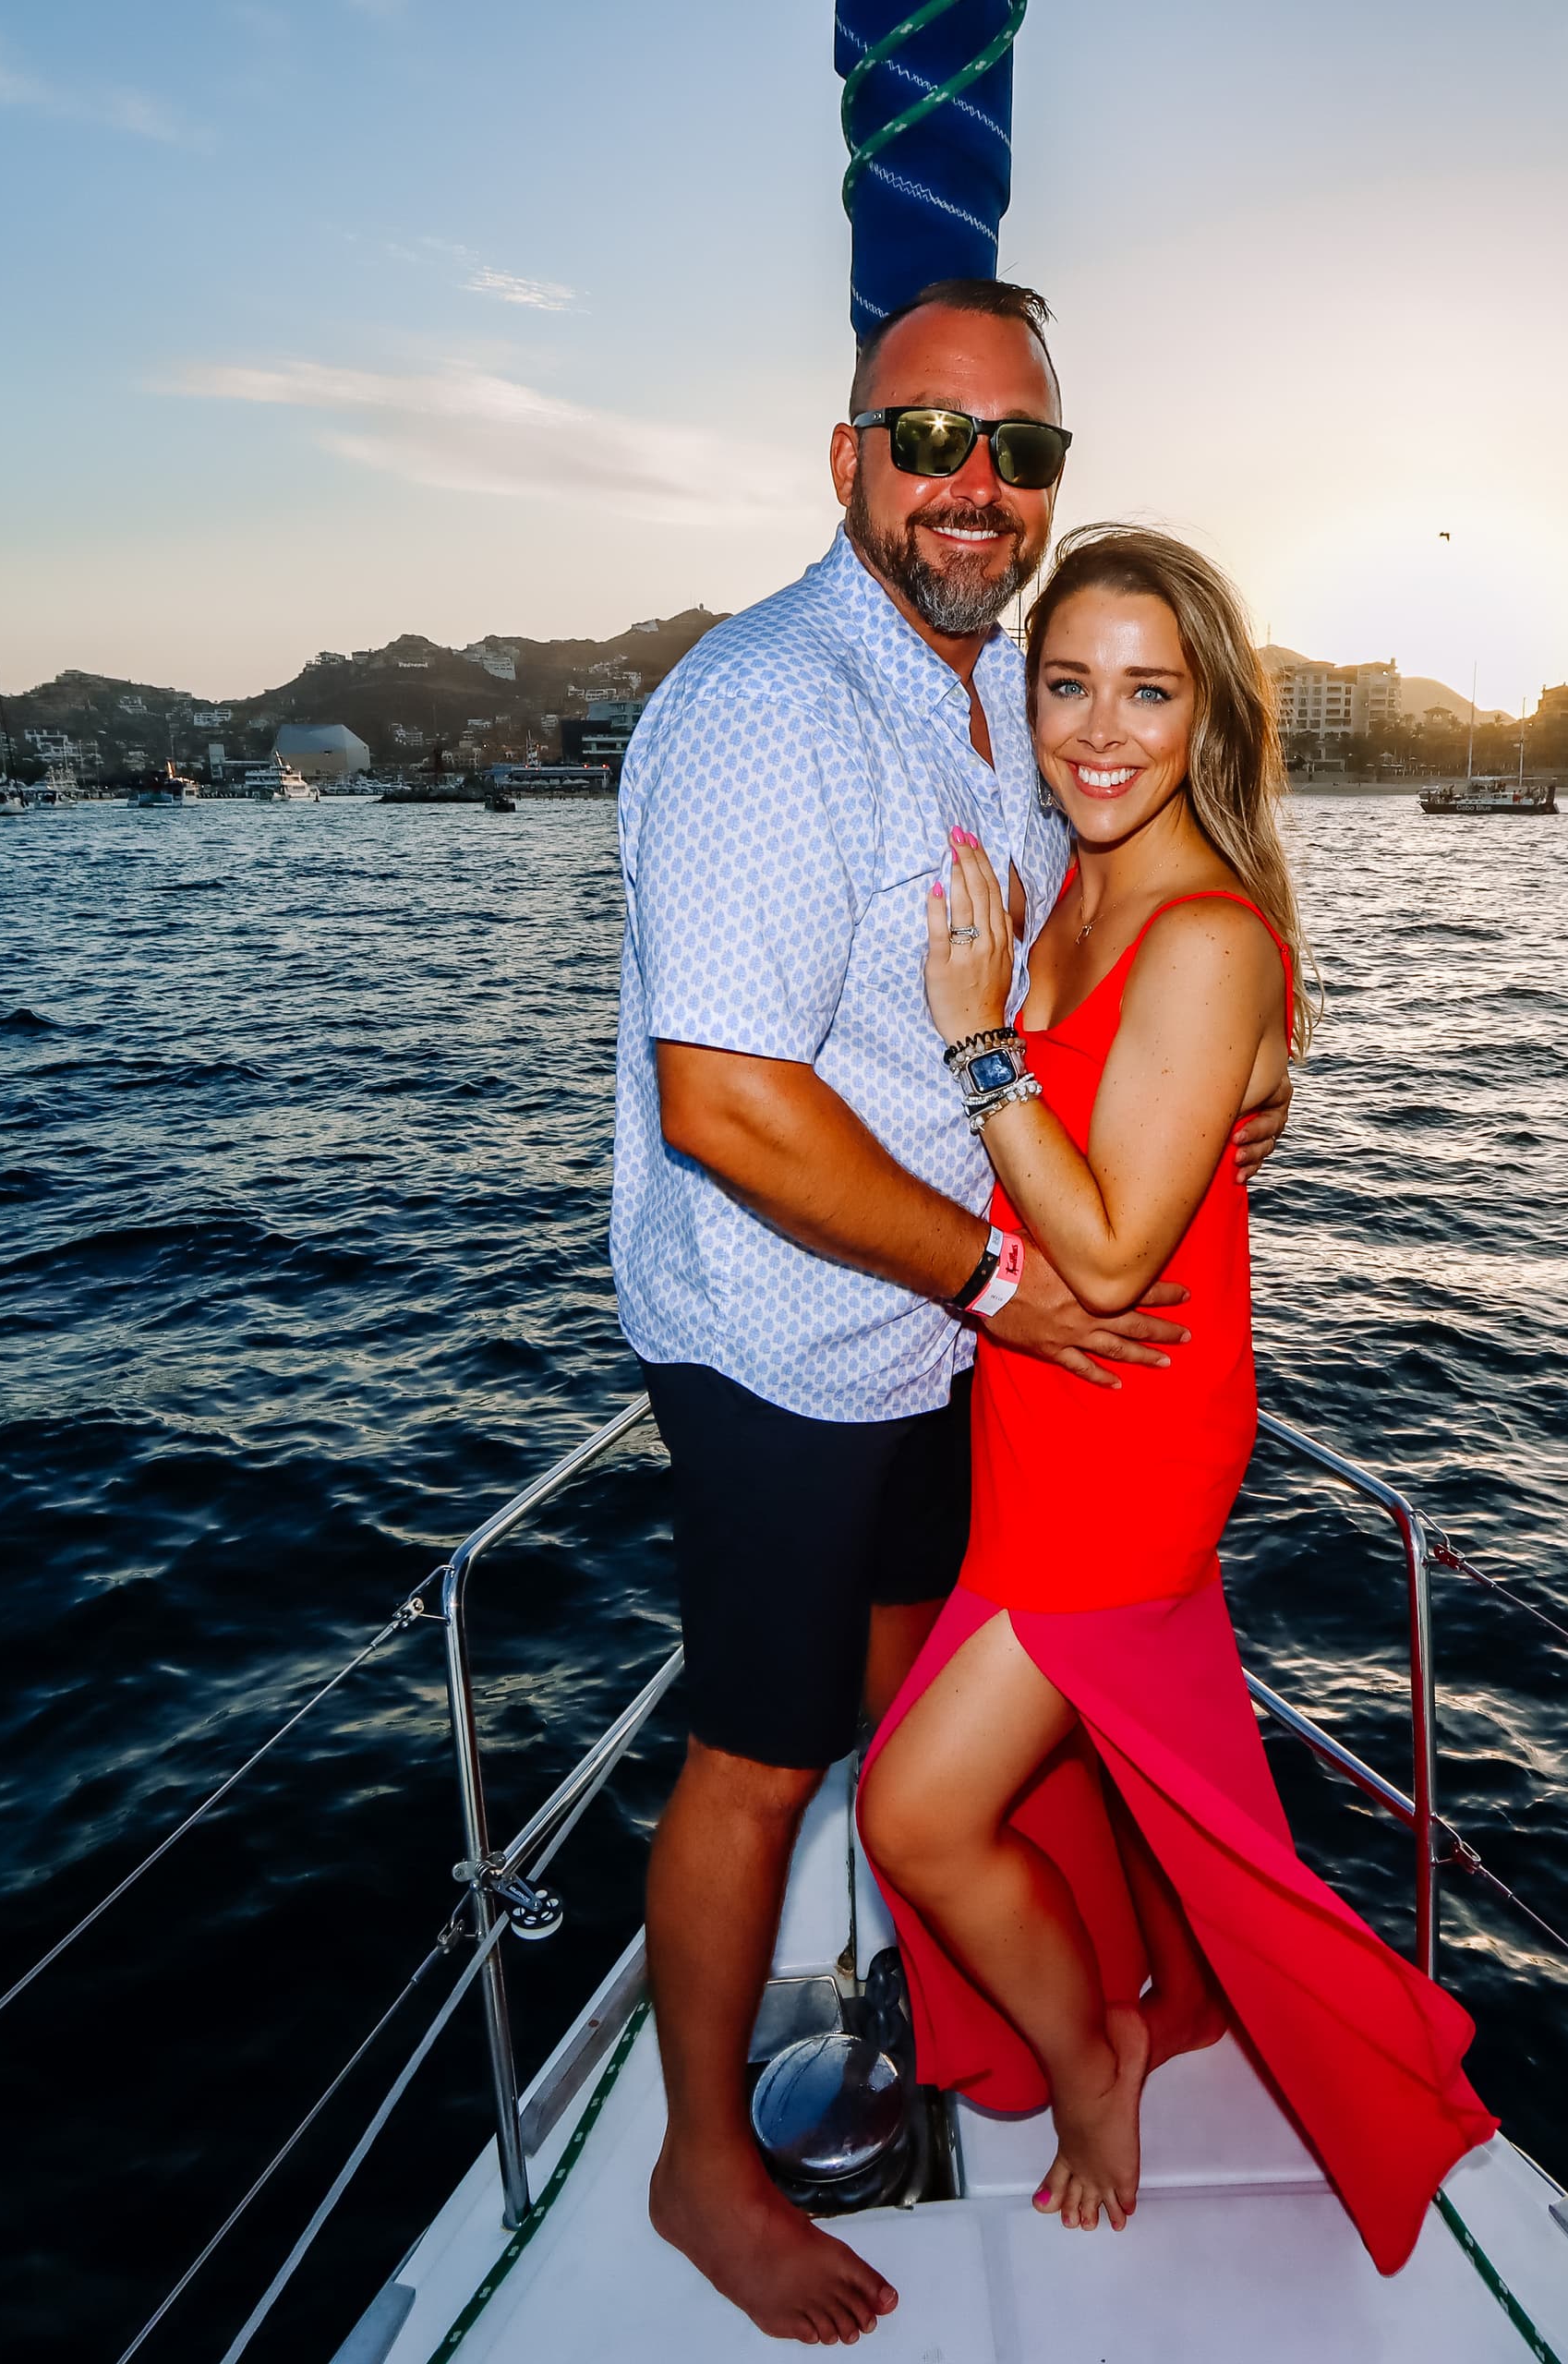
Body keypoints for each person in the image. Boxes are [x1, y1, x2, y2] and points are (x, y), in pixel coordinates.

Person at [612, 281, 1287, 2345]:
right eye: (928, 437)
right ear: (849, 462)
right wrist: (1007, 1263)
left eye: (1021, 450)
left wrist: (1215, 1068)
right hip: (802, 1338)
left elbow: (1131, 972)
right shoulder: (769, 709)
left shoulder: (988, 695)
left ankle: (957, 1996)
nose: (974, 484)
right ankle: (700, 2161)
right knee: (760, 1750)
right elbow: (724, 1099)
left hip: (958, 1350)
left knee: (911, 1721)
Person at [857, 526, 1497, 2270]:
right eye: (1067, 685)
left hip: (1129, 1412)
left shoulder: (1195, 926)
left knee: (909, 1808)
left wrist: (977, 1042)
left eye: (1148, 688)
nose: (1100, 727)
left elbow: (1120, 1245)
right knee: (1108, 1757)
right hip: (1039, 1401)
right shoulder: (1080, 876)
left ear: (1209, 707)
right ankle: (1151, 1988)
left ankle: (1098, 2053)